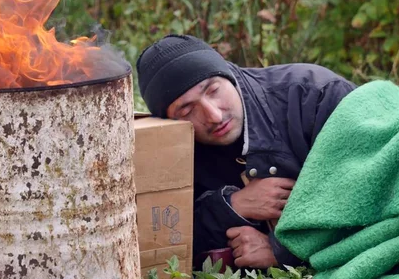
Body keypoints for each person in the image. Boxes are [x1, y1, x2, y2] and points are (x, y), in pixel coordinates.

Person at [136, 34, 357, 269]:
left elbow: (371, 200)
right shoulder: (172, 147)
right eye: (187, 110)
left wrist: (284, 252)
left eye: (213, 91)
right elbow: (163, 239)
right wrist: (232, 206)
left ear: (228, 76)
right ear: (170, 121)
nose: (214, 116)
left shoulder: (316, 95)